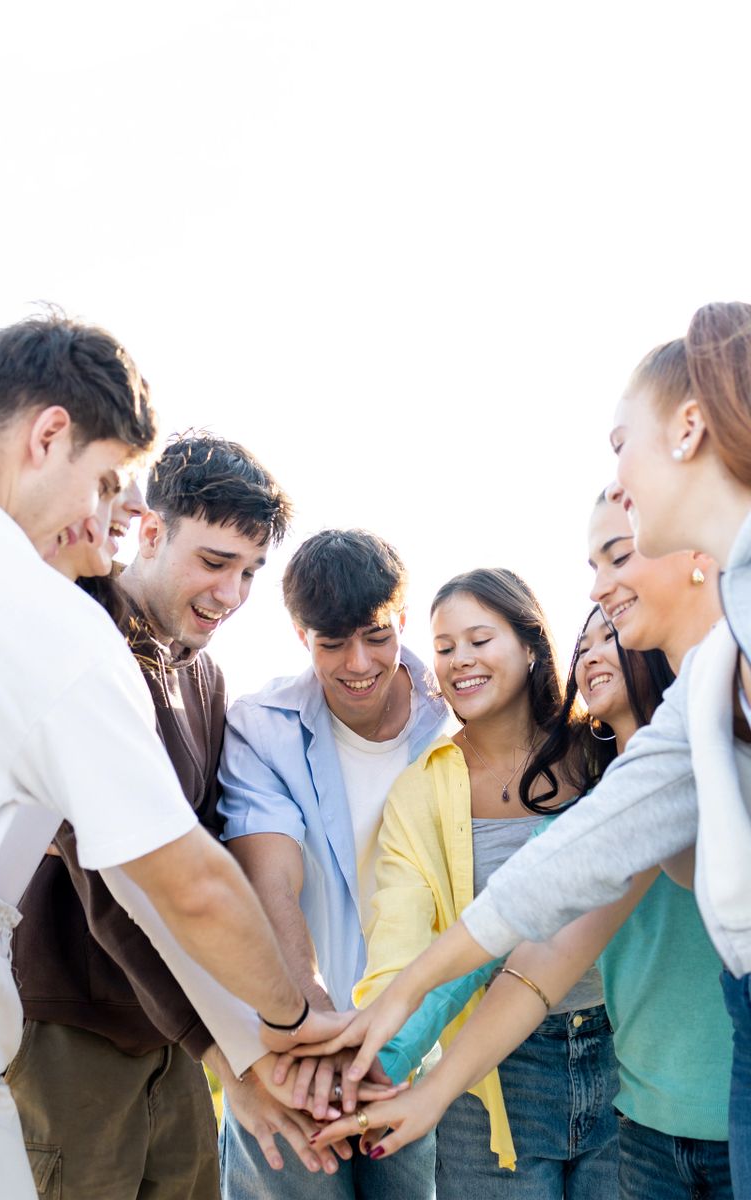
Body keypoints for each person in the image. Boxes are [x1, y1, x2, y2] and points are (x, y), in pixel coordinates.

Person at [298, 301, 751, 1194]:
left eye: (620, 445)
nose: (617, 477)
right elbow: (565, 870)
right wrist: (405, 1013)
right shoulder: (708, 678)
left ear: (689, 429)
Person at [0, 314, 344, 1200]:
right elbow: (149, 884)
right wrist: (270, 1033)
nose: (107, 522)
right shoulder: (63, 626)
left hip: (160, 1033)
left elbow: (185, 865)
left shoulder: (199, 678)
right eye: (104, 489)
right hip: (64, 1031)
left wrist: (236, 1039)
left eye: (251, 572)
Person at [319, 595, 734, 1197]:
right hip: (638, 1116)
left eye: (612, 632)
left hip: (709, 1103)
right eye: (584, 643)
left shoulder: (691, 755)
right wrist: (399, 1062)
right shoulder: (591, 802)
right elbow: (522, 951)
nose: (592, 654)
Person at [355, 569, 617, 1196]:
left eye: (479, 640)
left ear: (530, 647)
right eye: (444, 648)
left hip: (623, 1053)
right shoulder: (422, 788)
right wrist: (379, 1056)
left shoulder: (602, 754)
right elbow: (400, 941)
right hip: (493, 1068)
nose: (460, 661)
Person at [218, 529, 451, 1198]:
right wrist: (310, 1022)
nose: (359, 663)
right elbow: (271, 878)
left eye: (377, 636)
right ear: (301, 634)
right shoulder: (260, 726)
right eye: (332, 644)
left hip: (417, 1055)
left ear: (402, 618)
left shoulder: (456, 717)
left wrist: (392, 1042)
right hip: (292, 1058)